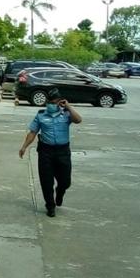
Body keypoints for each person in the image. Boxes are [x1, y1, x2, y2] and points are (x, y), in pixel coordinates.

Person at [18, 88, 82, 217]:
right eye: (49, 102)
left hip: (63, 152)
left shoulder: (66, 114)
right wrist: (24, 147)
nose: (51, 104)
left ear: (60, 102)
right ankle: (50, 206)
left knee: (65, 181)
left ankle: (60, 191)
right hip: (45, 152)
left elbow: (78, 120)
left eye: (54, 102)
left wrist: (68, 106)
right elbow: (33, 132)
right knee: (46, 181)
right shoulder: (41, 115)